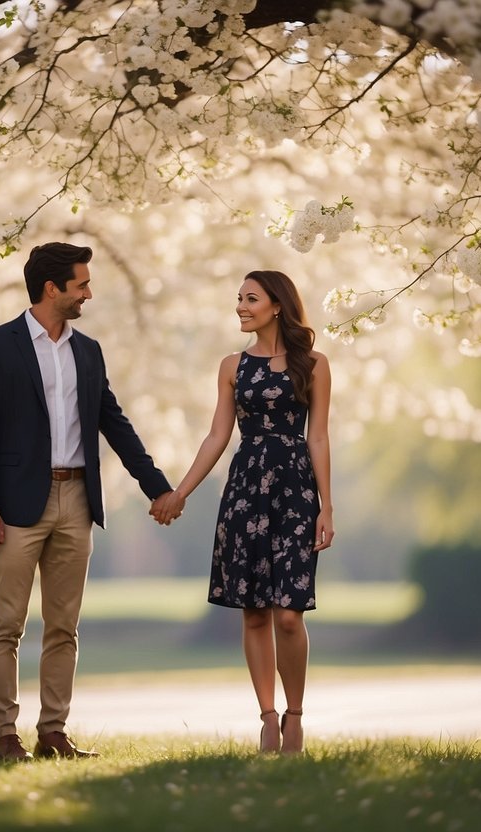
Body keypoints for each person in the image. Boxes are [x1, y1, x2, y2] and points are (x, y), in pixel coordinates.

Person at [0, 241, 180, 762]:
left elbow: (114, 423)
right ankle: (5, 737)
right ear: (52, 288)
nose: (88, 292)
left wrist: (159, 487)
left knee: (64, 626)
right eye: (81, 284)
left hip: (77, 500)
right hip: (14, 507)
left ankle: (53, 733)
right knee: (7, 624)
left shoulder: (88, 351)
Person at [152, 270, 333, 755]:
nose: (240, 307)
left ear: (277, 305)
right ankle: (268, 719)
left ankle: (296, 716)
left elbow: (318, 437)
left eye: (250, 299)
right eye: (238, 298)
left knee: (289, 615)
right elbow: (217, 435)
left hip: (295, 492)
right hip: (245, 490)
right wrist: (181, 492)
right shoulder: (232, 365)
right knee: (254, 612)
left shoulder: (314, 363)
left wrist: (326, 507)